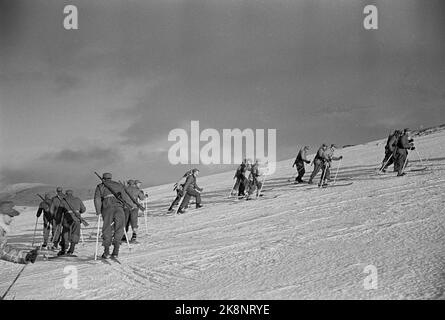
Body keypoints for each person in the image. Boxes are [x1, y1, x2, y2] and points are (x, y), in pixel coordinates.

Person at [94, 172, 133, 259]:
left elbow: (97, 199)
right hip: (119, 209)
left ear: (103, 178)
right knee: (119, 228)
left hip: (107, 209)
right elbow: (125, 197)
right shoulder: (118, 185)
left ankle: (106, 251)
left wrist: (98, 211)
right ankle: (116, 251)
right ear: (111, 178)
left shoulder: (100, 186)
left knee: (107, 229)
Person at [57, 190, 86, 256]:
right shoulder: (78, 199)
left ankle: (63, 249)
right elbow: (83, 209)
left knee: (65, 233)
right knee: (75, 233)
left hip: (67, 219)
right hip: (76, 219)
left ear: (66, 194)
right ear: (72, 194)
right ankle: (71, 249)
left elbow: (59, 212)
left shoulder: (63, 201)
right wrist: (77, 212)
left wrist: (58, 221)